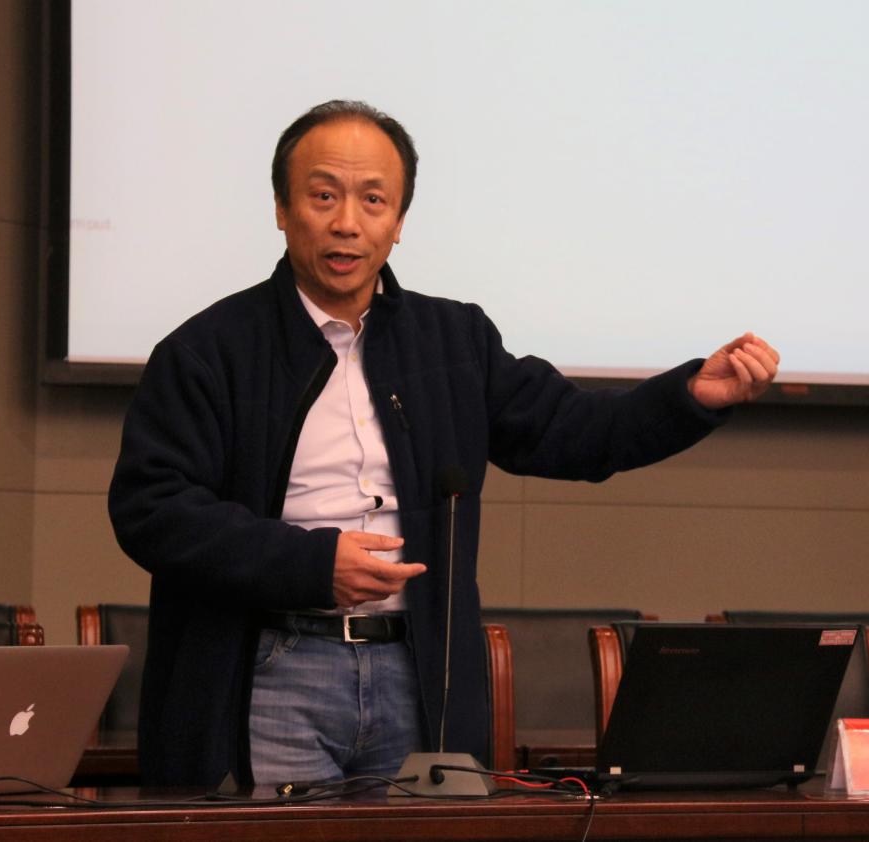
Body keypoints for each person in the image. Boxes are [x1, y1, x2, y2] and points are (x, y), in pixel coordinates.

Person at [108, 100, 779, 788]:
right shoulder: (209, 350)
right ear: (281, 209)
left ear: (398, 222)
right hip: (271, 670)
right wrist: (310, 564)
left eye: (373, 200)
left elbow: (575, 431)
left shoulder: (453, 341)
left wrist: (689, 396)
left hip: (419, 672)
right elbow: (152, 509)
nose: (347, 222)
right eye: (323, 196)